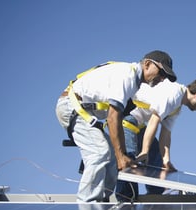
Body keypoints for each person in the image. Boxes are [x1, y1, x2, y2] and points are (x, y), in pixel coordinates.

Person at [56, 50, 177, 202]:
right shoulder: (127, 76)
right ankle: (88, 204)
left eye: (165, 76)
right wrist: (121, 157)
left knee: (111, 156)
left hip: (83, 110)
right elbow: (113, 117)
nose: (162, 78)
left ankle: (102, 202)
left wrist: (122, 155)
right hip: (72, 108)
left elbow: (118, 119)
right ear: (147, 64)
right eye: (161, 72)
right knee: (100, 152)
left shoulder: (134, 83)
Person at [115, 77, 196, 201]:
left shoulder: (177, 107)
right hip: (125, 119)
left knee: (157, 159)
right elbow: (154, 120)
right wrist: (144, 151)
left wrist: (166, 160)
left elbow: (165, 133)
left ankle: (155, 196)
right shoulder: (174, 94)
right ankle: (125, 201)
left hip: (139, 125)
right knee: (129, 162)